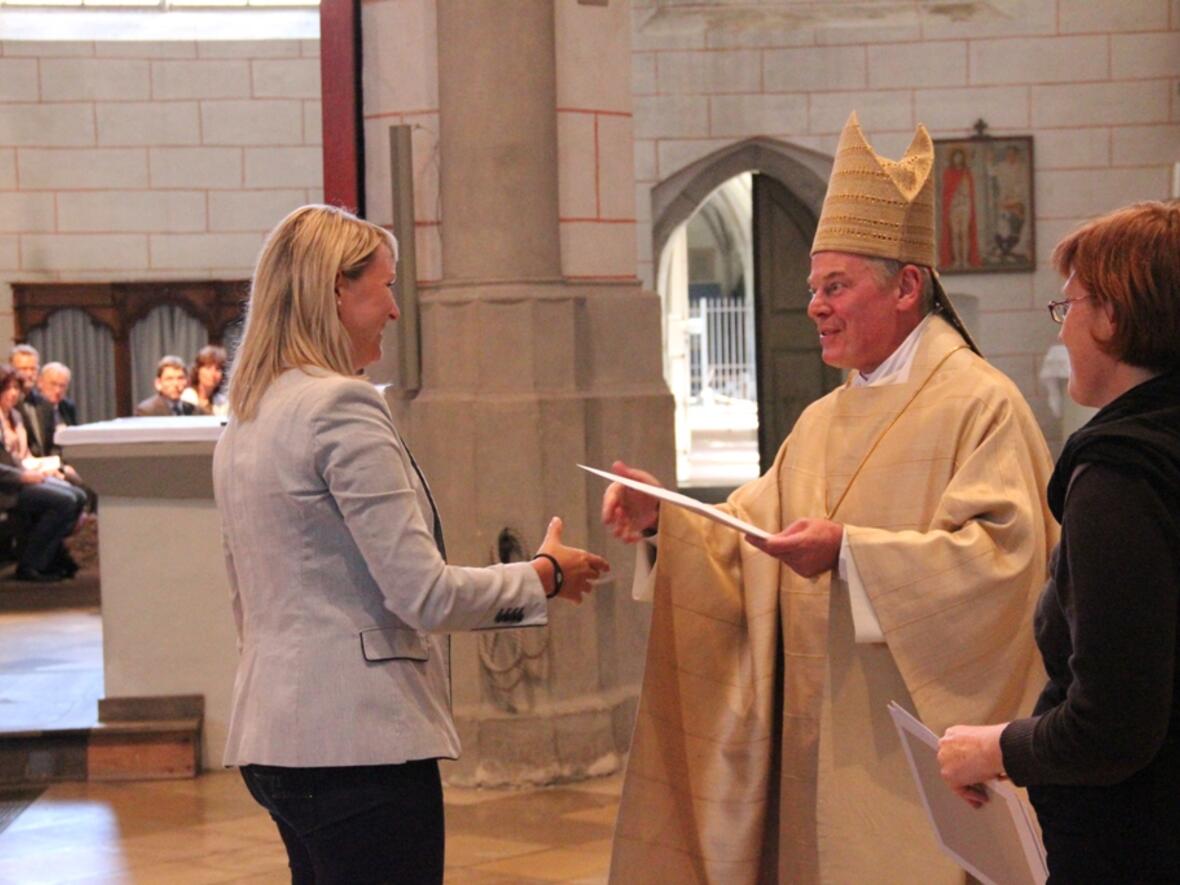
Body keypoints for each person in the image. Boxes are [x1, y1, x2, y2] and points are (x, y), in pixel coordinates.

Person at [602, 112, 1056, 884]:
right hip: (816, 739)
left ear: (908, 285)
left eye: (835, 286)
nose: (814, 305)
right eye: (813, 287)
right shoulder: (822, 418)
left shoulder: (982, 404)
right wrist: (665, 520)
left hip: (907, 760)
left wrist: (852, 554)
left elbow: (1005, 564)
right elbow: (742, 532)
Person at [213, 204, 610, 884]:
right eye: (385, 285)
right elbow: (422, 593)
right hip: (356, 742)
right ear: (337, 289)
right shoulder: (339, 405)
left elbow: (245, 598)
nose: (396, 309)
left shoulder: (249, 416)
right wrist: (541, 576)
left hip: (275, 735)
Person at [938, 201, 1180, 882]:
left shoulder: (1122, 475)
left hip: (1135, 840)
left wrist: (996, 747)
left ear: (1112, 315)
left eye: (1068, 305)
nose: (1064, 325)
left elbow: (1113, 726)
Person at [0, 365, 87, 581]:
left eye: (15, 388)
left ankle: (50, 558)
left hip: (20, 478)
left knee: (78, 495)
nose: (12, 394)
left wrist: (47, 469)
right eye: (6, 388)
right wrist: (23, 476)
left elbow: (24, 458)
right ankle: (31, 564)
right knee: (64, 501)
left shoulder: (16, 417)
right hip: (6, 487)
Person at [22, 362, 78, 458]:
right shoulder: (32, 407)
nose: (57, 390)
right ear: (40, 383)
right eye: (53, 384)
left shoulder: (68, 407)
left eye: (62, 386)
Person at [939, 147, 980, 270]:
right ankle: (957, 260)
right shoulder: (948, 173)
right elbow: (946, 192)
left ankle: (965, 261)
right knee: (955, 234)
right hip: (953, 207)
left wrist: (962, 194)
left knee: (964, 233)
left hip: (964, 206)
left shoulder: (966, 173)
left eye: (960, 156)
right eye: (956, 156)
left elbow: (968, 192)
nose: (958, 159)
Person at [181, 345, 228, 417]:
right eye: (208, 368)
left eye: (218, 369)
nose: (213, 374)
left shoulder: (223, 402)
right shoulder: (186, 397)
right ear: (198, 370)